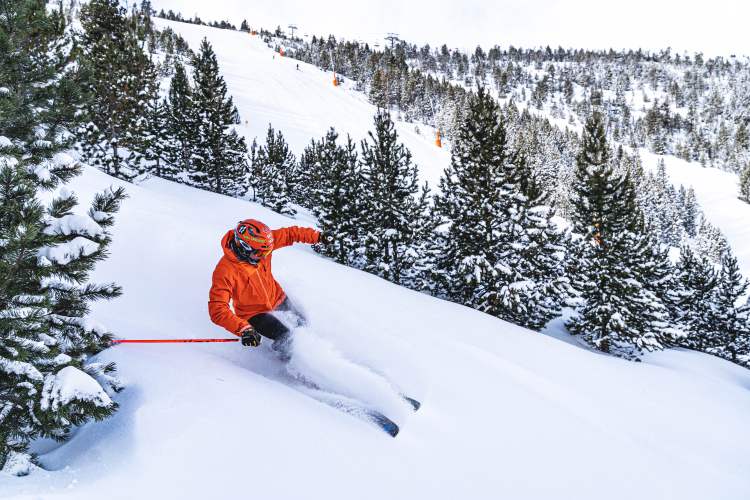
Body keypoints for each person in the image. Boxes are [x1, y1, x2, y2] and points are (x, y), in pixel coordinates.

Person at [208, 219, 333, 354]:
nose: (264, 257)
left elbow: (290, 233)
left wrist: (318, 236)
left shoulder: (263, 245)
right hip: (254, 314)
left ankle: (317, 352)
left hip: (278, 298)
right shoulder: (225, 271)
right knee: (287, 339)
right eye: (260, 254)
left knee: (303, 326)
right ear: (244, 247)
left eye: (267, 253)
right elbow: (218, 309)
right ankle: (298, 367)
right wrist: (243, 329)